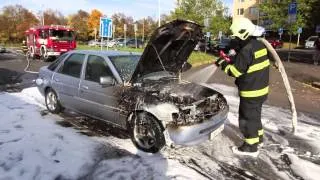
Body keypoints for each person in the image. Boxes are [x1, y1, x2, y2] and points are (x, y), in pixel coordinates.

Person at [215, 17, 269, 157]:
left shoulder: (246, 49)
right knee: (255, 115)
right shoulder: (258, 45)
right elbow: (248, 63)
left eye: (236, 37)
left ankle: (251, 147)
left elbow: (235, 71)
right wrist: (232, 59)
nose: (235, 40)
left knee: (247, 118)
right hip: (261, 90)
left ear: (244, 33)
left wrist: (223, 63)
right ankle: (259, 139)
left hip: (251, 91)